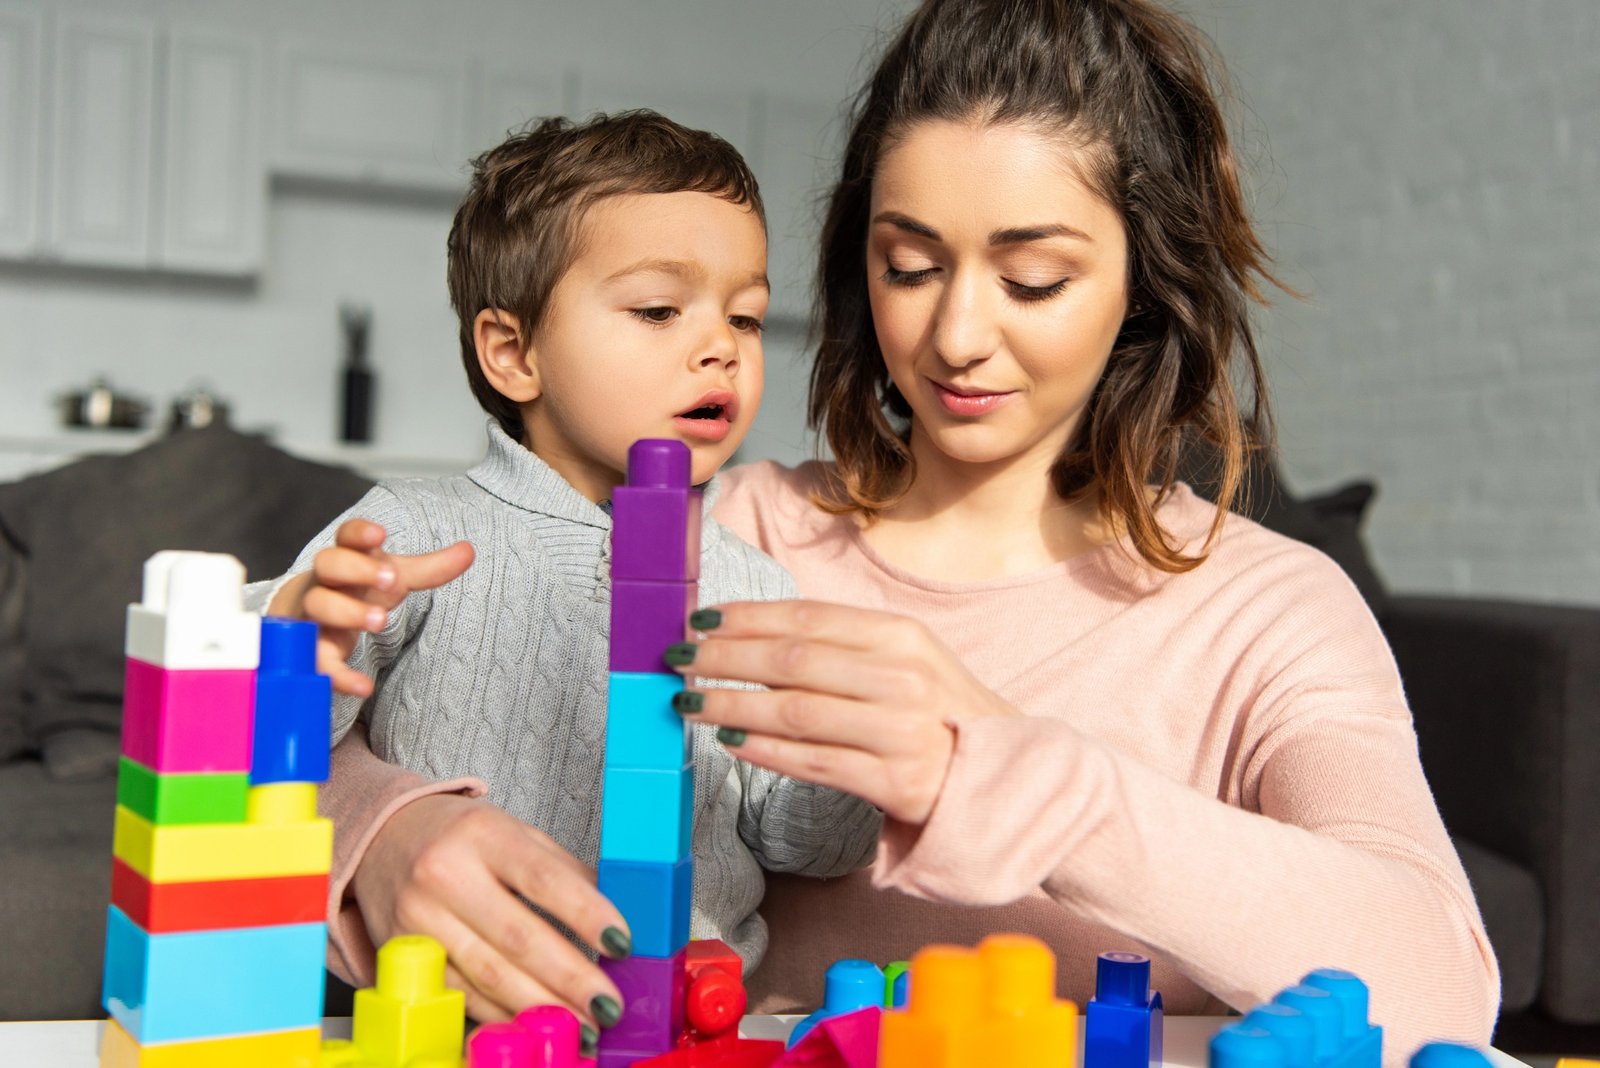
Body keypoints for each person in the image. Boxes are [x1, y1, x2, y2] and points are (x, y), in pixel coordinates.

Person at [318, 0, 1499, 1057]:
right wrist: (385, 837)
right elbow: (326, 711)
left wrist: (1007, 773)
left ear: (1143, 280)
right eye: (909, 266)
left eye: (1032, 280)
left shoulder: (1263, 611)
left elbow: (1440, 984)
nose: (956, 338)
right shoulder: (724, 531)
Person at [251, 111, 879, 1049]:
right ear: (514, 353)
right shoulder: (414, 531)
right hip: (441, 1025)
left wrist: (846, 754)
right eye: (661, 309)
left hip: (687, 1028)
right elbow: (261, 766)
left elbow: (809, 850)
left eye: (744, 314)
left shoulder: (755, 587)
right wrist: (300, 639)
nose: (722, 346)